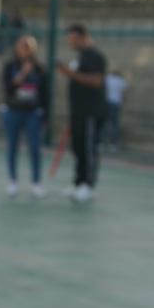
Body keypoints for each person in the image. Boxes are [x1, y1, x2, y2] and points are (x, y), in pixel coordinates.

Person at [57, 23, 107, 204]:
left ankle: (88, 185)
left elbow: (96, 81)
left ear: (82, 37)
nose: (71, 43)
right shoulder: (81, 57)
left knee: (88, 148)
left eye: (73, 40)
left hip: (90, 112)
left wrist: (69, 73)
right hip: (77, 112)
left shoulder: (95, 56)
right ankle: (78, 183)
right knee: (78, 147)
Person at [1, 35, 50, 198]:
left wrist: (45, 115)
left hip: (32, 113)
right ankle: (12, 181)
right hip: (13, 111)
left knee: (35, 148)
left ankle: (36, 182)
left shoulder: (40, 69)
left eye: (28, 47)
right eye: (23, 46)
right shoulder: (10, 66)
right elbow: (7, 88)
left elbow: (45, 93)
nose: (25, 50)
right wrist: (22, 73)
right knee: (12, 146)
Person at [104, 69, 128, 151]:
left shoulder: (108, 79)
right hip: (116, 103)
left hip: (107, 103)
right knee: (114, 124)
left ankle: (102, 142)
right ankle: (113, 143)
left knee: (105, 123)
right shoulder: (121, 81)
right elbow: (124, 93)